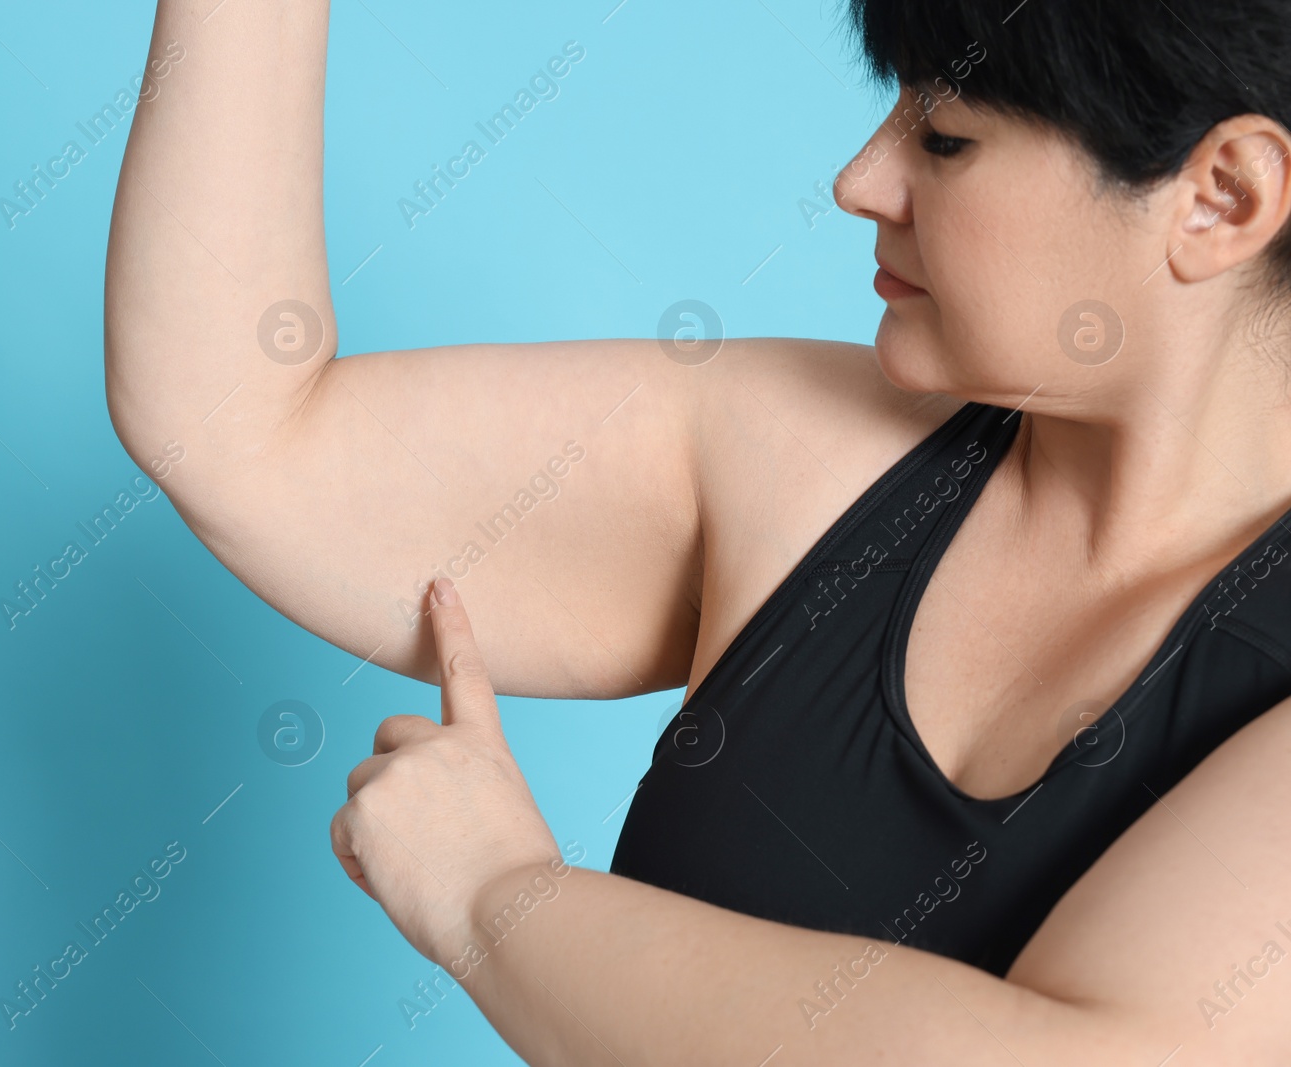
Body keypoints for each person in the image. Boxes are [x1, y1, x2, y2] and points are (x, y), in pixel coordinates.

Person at [104, 0, 1291, 1061]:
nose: (861, 180)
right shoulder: (808, 456)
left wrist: (495, 899)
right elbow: (241, 432)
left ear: (1221, 194)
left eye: (943, 136)